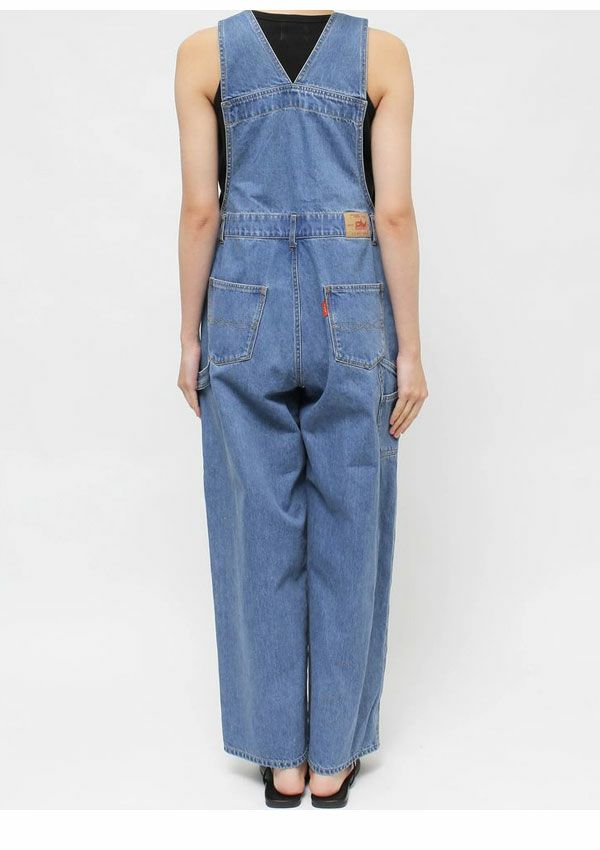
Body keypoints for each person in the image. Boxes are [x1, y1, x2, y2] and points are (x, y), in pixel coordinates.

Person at [175, 9, 428, 808]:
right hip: (349, 303)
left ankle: (280, 760)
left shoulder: (203, 55)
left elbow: (201, 209)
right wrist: (410, 349)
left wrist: (189, 336)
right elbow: (393, 212)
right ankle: (332, 761)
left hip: (240, 303)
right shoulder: (382, 55)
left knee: (255, 527)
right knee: (353, 524)